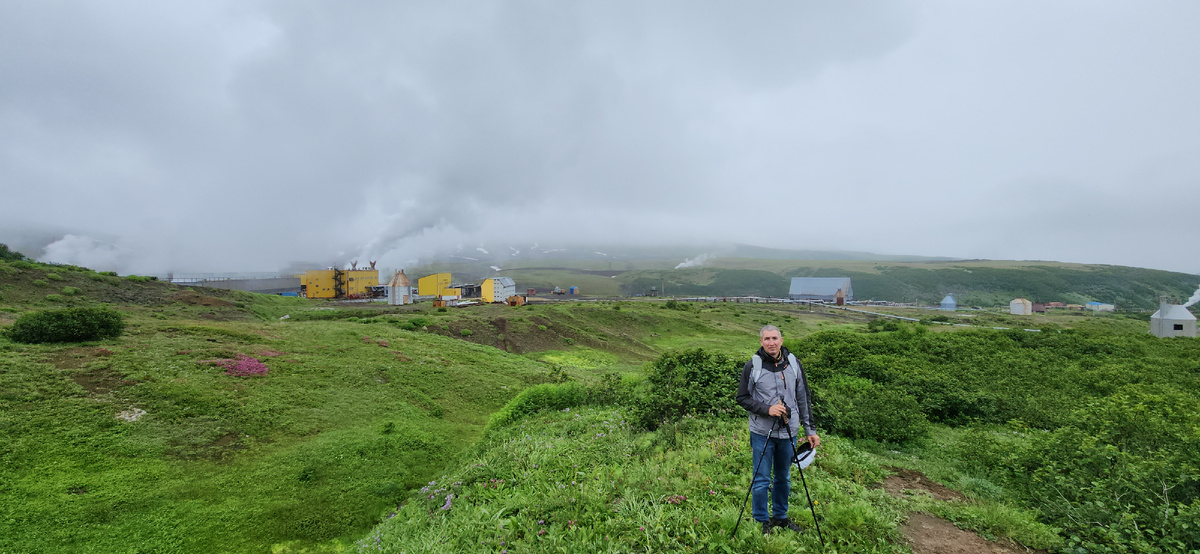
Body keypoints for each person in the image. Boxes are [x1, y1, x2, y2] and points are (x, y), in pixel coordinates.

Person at [736, 325, 820, 535]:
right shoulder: (752, 366)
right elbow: (742, 398)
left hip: (788, 432)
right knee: (762, 477)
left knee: (784, 477)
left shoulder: (793, 364)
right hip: (761, 432)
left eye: (775, 338)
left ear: (781, 340)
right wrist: (767, 409)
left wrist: (810, 430)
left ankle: (781, 517)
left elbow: (803, 398)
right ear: (761, 341)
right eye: (767, 339)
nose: (771, 342)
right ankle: (761, 520)